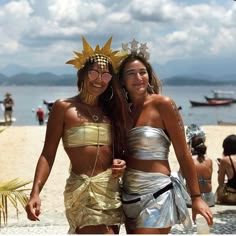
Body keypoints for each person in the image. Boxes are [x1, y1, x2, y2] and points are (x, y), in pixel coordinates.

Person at [25, 36, 128, 234]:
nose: (99, 80)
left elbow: (120, 150)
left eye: (106, 75)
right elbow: (48, 153)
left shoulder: (111, 111)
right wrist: (35, 192)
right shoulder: (64, 107)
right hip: (81, 188)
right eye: (94, 73)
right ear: (82, 74)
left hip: (110, 189)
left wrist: (121, 162)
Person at [117, 40, 213, 234]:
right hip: (128, 194)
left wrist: (196, 197)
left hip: (157, 193)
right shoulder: (121, 111)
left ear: (149, 75)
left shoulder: (163, 105)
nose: (138, 77)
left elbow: (183, 153)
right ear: (122, 81)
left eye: (142, 72)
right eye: (131, 73)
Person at [185, 124, 215, 207]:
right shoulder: (209, 160)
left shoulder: (189, 160)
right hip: (209, 199)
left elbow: (181, 176)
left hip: (193, 199)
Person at [216, 134, 236, 204]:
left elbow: (220, 182)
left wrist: (219, 169)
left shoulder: (225, 160)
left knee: (219, 189)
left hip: (232, 197)